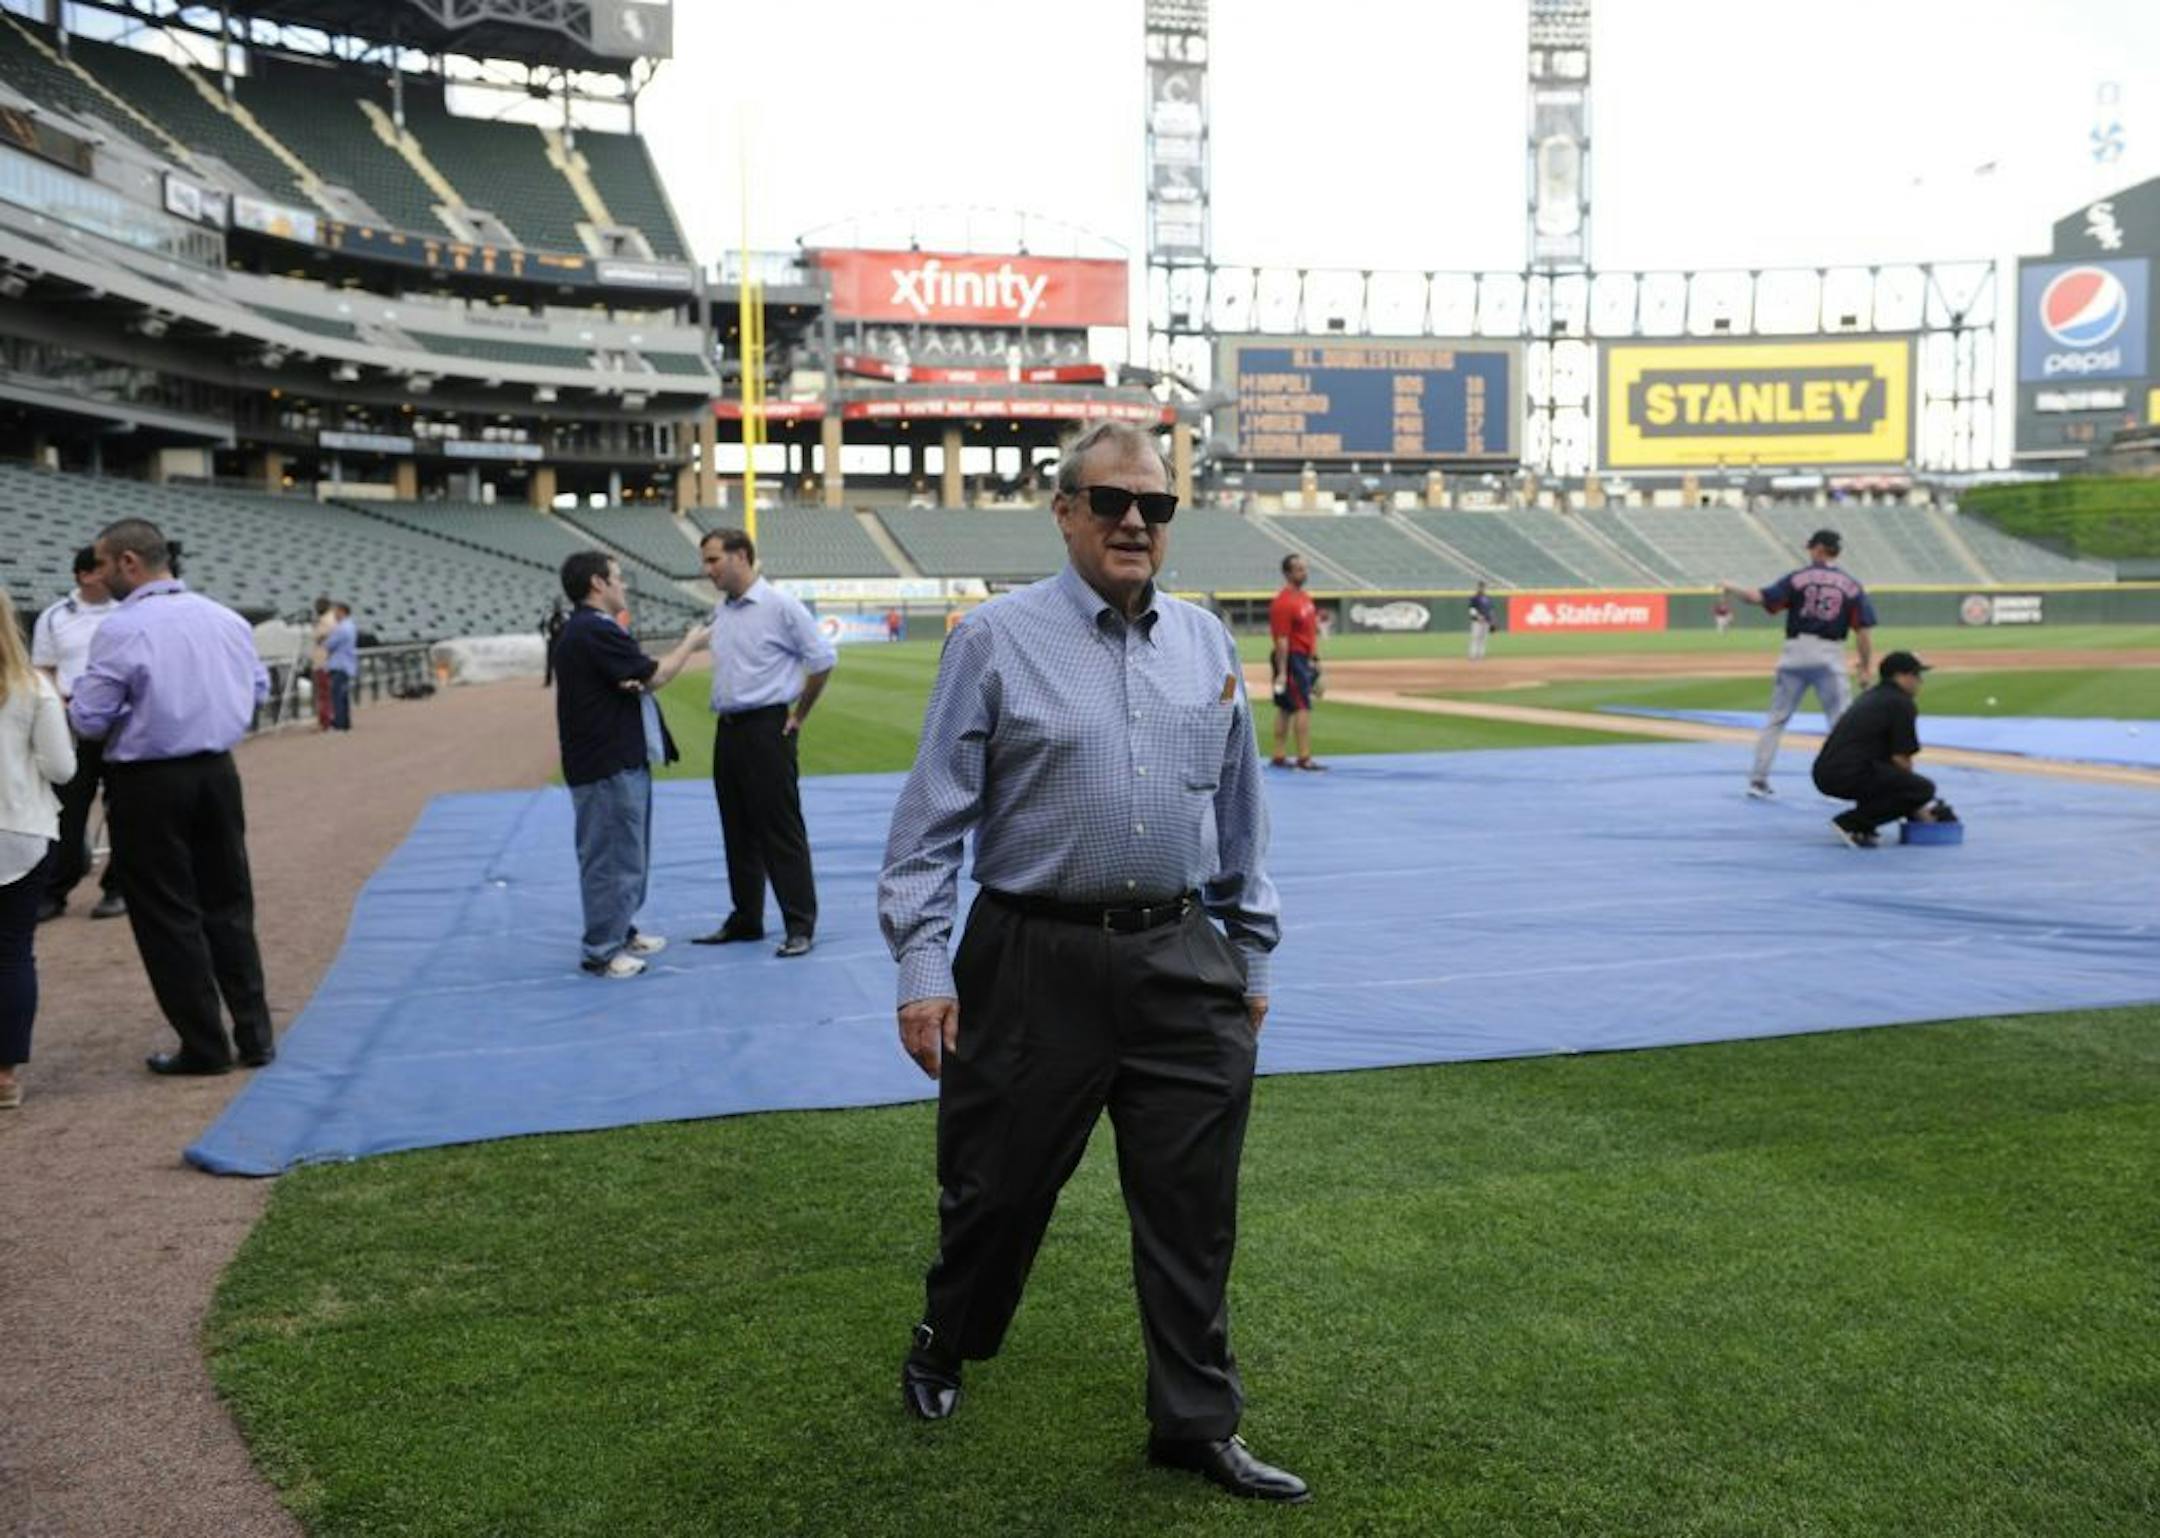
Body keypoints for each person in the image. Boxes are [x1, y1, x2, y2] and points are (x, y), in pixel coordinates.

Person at [878, 420, 1304, 1503]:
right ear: (1064, 510)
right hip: (1028, 954)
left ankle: (1195, 1422)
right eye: (1110, 502)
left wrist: (1248, 953)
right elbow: (930, 821)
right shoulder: (994, 638)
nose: (1133, 522)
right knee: (997, 1189)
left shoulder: (1206, 642)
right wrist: (924, 964)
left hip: (1179, 954)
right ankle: (947, 1336)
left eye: (1153, 507)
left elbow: (1241, 813)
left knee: (1191, 1204)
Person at [69, 518, 276, 1076]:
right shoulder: (225, 618)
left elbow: (88, 719)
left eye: (104, 564)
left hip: (149, 781)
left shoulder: (122, 628)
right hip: (216, 772)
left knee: (167, 914)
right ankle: (255, 1036)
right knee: (229, 903)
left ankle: (205, 1046)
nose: (100, 574)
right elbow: (259, 689)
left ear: (129, 563)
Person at [552, 551, 708, 979]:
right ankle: (601, 950)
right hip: (605, 763)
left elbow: (626, 677)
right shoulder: (592, 629)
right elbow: (655, 675)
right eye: (617, 578)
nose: (623, 585)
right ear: (597, 584)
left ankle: (620, 930)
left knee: (628, 854)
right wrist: (691, 644)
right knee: (610, 858)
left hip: (616, 758)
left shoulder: (588, 631)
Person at [690, 529, 836, 959]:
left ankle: (799, 924)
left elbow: (822, 660)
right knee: (736, 828)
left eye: (714, 559)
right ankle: (746, 918)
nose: (708, 569)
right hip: (729, 729)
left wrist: (799, 715)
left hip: (768, 728)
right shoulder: (725, 610)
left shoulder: (780, 606)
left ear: (740, 556)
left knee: (780, 829)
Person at [1718, 528, 1876, 799]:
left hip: (1795, 650)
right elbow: (1863, 630)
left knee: (1776, 719)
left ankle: (1757, 780)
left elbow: (1758, 598)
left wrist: (1731, 586)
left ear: (1818, 549)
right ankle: (1849, 782)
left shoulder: (1799, 578)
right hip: (1829, 652)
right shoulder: (1851, 584)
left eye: (1811, 547)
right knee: (1840, 723)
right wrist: (1865, 667)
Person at [0, 589, 77, 1108]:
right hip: (20, 830)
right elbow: (63, 769)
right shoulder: (34, 691)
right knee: (11, 952)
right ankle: (4, 1074)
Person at [30, 545, 124, 922]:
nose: (115, 574)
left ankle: (117, 888)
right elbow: (44, 669)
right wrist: (59, 707)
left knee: (126, 811)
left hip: (120, 726)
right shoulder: (54, 618)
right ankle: (57, 888)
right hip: (72, 727)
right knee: (68, 811)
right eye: (105, 568)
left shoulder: (128, 613)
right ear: (85, 575)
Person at [1813, 651, 1956, 848]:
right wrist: (1918, 801)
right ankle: (1851, 823)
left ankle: (1864, 828)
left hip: (1827, 771)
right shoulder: (1900, 703)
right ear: (1901, 676)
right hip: (1849, 773)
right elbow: (1901, 759)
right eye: (1916, 675)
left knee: (1885, 774)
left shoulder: (1872, 696)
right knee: (1922, 788)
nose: (1919, 681)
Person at [1268, 552, 1324, 771]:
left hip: (1302, 657)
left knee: (1286, 707)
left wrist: (1315, 660)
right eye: (1299, 569)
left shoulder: (1304, 598)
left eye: (1304, 568)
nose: (1304, 572)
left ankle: (1279, 755)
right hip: (1291, 658)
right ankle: (1303, 757)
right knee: (1301, 706)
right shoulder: (1284, 602)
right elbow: (1282, 639)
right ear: (1288, 573)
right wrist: (1282, 671)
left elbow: (1309, 633)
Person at [322, 602, 358, 732]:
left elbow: (329, 644)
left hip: (339, 664)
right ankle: (345, 722)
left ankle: (339, 723)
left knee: (337, 695)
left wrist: (324, 639)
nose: (334, 615)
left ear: (342, 611)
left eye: (336, 612)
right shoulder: (350, 626)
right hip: (346, 664)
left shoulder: (342, 628)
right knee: (343, 695)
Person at [309, 595, 337, 730]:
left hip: (323, 662)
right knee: (326, 693)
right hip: (326, 661)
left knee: (324, 693)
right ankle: (326, 720)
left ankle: (325, 722)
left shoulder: (327, 621)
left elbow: (319, 637)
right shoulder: (330, 620)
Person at [1467, 579, 1495, 661]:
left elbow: (1490, 609)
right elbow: (1471, 609)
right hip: (1477, 621)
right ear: (1478, 587)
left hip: (1486, 621)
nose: (1482, 588)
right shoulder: (1474, 598)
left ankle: (1480, 655)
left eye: (1483, 587)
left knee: (1483, 639)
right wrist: (1477, 616)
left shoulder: (1488, 598)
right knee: (1475, 638)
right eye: (1480, 586)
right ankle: (1472, 655)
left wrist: (1492, 620)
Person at [542, 598, 567, 688]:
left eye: (558, 606)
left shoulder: (565, 616)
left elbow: (569, 627)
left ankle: (563, 681)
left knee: (563, 662)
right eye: (556, 606)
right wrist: (546, 636)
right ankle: (548, 681)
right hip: (552, 640)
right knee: (550, 662)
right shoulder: (549, 616)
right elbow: (543, 626)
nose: (557, 608)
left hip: (562, 640)